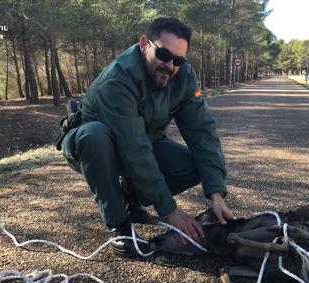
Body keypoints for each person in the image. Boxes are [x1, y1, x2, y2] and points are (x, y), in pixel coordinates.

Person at [61, 17, 233, 256]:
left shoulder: (183, 76)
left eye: (179, 60)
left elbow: (202, 130)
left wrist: (216, 192)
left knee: (194, 166)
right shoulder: (118, 78)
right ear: (144, 44)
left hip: (143, 142)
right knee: (95, 136)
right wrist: (170, 211)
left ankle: (130, 197)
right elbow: (134, 148)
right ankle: (119, 225)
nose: (170, 66)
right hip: (95, 149)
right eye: (164, 54)